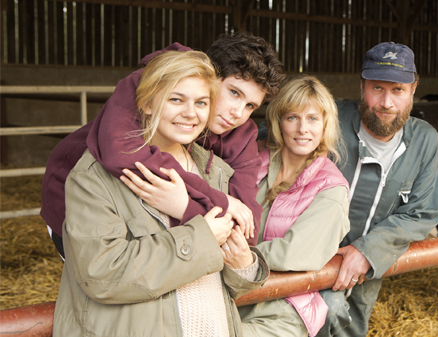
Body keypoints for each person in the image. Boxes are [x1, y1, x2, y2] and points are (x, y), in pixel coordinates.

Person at [53, 50, 269, 337]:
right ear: (147, 103)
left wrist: (245, 266)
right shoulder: (95, 176)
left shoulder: (215, 170)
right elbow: (101, 274)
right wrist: (200, 236)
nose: (190, 113)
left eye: (201, 103)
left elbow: (227, 273)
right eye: (176, 99)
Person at [41, 33, 285, 258]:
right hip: (79, 201)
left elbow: (246, 221)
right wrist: (219, 201)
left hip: (152, 219)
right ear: (209, 74)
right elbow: (121, 155)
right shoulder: (157, 83)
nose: (237, 113)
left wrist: (186, 208)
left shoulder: (241, 135)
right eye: (234, 93)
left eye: (251, 106)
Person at [316, 42, 438, 337]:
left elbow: (422, 213)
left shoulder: (424, 141)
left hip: (366, 266)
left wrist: (368, 251)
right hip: (307, 258)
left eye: (397, 90)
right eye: (377, 88)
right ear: (362, 86)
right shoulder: (325, 118)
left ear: (413, 89)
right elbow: (265, 148)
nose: (386, 102)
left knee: (351, 326)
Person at [239, 76, 350, 337]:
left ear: (325, 124)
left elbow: (294, 253)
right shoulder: (252, 158)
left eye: (312, 118)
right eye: (292, 117)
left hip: (282, 307)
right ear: (279, 121)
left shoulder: (331, 188)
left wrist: (229, 256)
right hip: (235, 293)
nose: (303, 129)